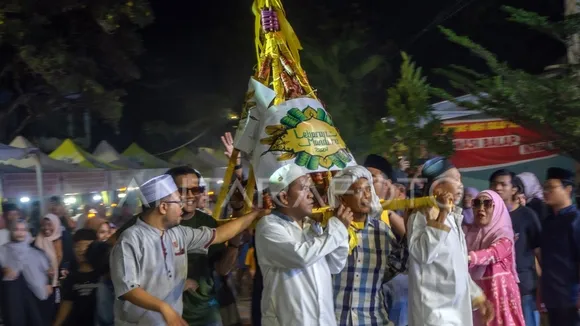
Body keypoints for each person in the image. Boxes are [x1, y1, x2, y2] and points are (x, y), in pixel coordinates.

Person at [110, 174, 266, 325]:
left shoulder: (177, 233)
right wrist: (164, 308)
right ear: (164, 207)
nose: (183, 207)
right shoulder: (130, 240)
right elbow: (128, 289)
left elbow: (219, 235)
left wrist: (255, 214)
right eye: (178, 202)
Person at [255, 163, 351, 326]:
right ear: (284, 197)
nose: (311, 195)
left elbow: (336, 265)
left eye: (311, 188)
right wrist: (337, 228)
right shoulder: (269, 226)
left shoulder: (312, 226)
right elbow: (301, 256)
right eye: (304, 188)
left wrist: (338, 228)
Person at [406, 157, 493, 326]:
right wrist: (442, 216)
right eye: (455, 179)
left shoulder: (453, 218)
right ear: (438, 187)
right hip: (434, 314)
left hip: (455, 313)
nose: (460, 185)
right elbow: (423, 254)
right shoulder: (421, 216)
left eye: (460, 179)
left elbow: (457, 268)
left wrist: (477, 297)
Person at [328, 165, 408, 326]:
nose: (366, 196)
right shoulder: (328, 231)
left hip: (374, 319)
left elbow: (400, 266)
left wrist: (410, 226)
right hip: (335, 320)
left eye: (368, 190)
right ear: (343, 198)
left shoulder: (382, 232)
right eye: (358, 191)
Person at [465, 190, 525, 326]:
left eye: (487, 204)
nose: (481, 208)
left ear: (497, 208)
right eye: (476, 204)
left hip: (500, 295)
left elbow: (493, 253)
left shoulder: (505, 234)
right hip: (476, 296)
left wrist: (468, 258)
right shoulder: (468, 233)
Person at [490, 169, 542, 326]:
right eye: (494, 184)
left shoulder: (527, 215)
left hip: (523, 287)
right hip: (495, 287)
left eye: (502, 184)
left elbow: (538, 250)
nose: (497, 188)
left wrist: (543, 282)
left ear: (514, 189)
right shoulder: (488, 216)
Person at [539, 167, 580, 326]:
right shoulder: (548, 222)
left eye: (551, 187)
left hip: (571, 297)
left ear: (568, 189)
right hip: (552, 296)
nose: (546, 191)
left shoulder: (575, 220)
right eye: (545, 187)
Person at [0, 219, 52, 326]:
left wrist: (48, 283)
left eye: (23, 230)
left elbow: (48, 271)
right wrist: (3, 270)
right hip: (13, 295)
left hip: (34, 295)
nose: (20, 233)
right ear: (11, 231)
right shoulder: (3, 250)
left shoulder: (35, 251)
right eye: (16, 229)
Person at [54, 229, 101, 326]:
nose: (81, 249)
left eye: (87, 245)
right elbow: (66, 304)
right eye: (77, 246)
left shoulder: (103, 274)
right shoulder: (71, 277)